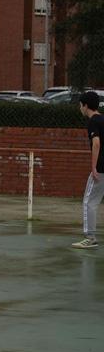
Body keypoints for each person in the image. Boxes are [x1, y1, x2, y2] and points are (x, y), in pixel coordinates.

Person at [73, 91, 104, 249]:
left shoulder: (93, 121)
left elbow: (96, 144)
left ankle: (90, 237)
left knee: (89, 202)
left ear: (86, 106)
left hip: (100, 169)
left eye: (80, 105)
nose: (80, 108)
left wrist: (94, 167)